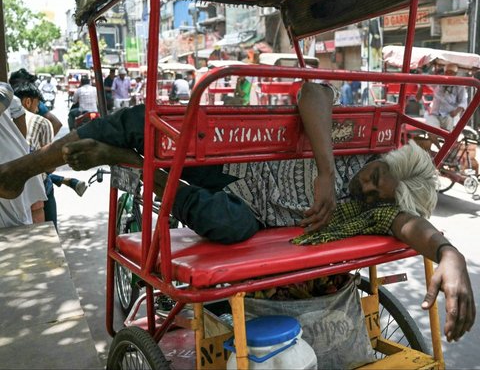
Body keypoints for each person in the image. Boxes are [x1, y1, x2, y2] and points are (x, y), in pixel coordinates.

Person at [0, 82, 474, 342]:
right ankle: (24, 168)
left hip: (248, 212)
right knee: (142, 121)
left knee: (227, 226)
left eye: (373, 194)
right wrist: (328, 170)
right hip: (233, 160)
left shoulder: (371, 211)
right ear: (382, 161)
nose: (364, 186)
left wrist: (449, 256)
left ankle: (124, 161)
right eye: (373, 175)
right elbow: (314, 91)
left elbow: (414, 228)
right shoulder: (358, 142)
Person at [0, 82, 46, 227]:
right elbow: (20, 116)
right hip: (13, 157)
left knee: (16, 221)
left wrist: (21, 148)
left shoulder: (4, 91)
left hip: (8, 162)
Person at [417, 63, 467, 149]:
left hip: (450, 115)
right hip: (435, 114)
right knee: (431, 132)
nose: (448, 74)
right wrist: (421, 79)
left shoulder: (460, 86)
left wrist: (456, 111)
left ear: (455, 74)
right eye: (446, 72)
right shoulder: (438, 81)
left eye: (451, 72)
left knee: (451, 135)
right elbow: (426, 80)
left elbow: (463, 102)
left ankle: (447, 152)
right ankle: (440, 150)